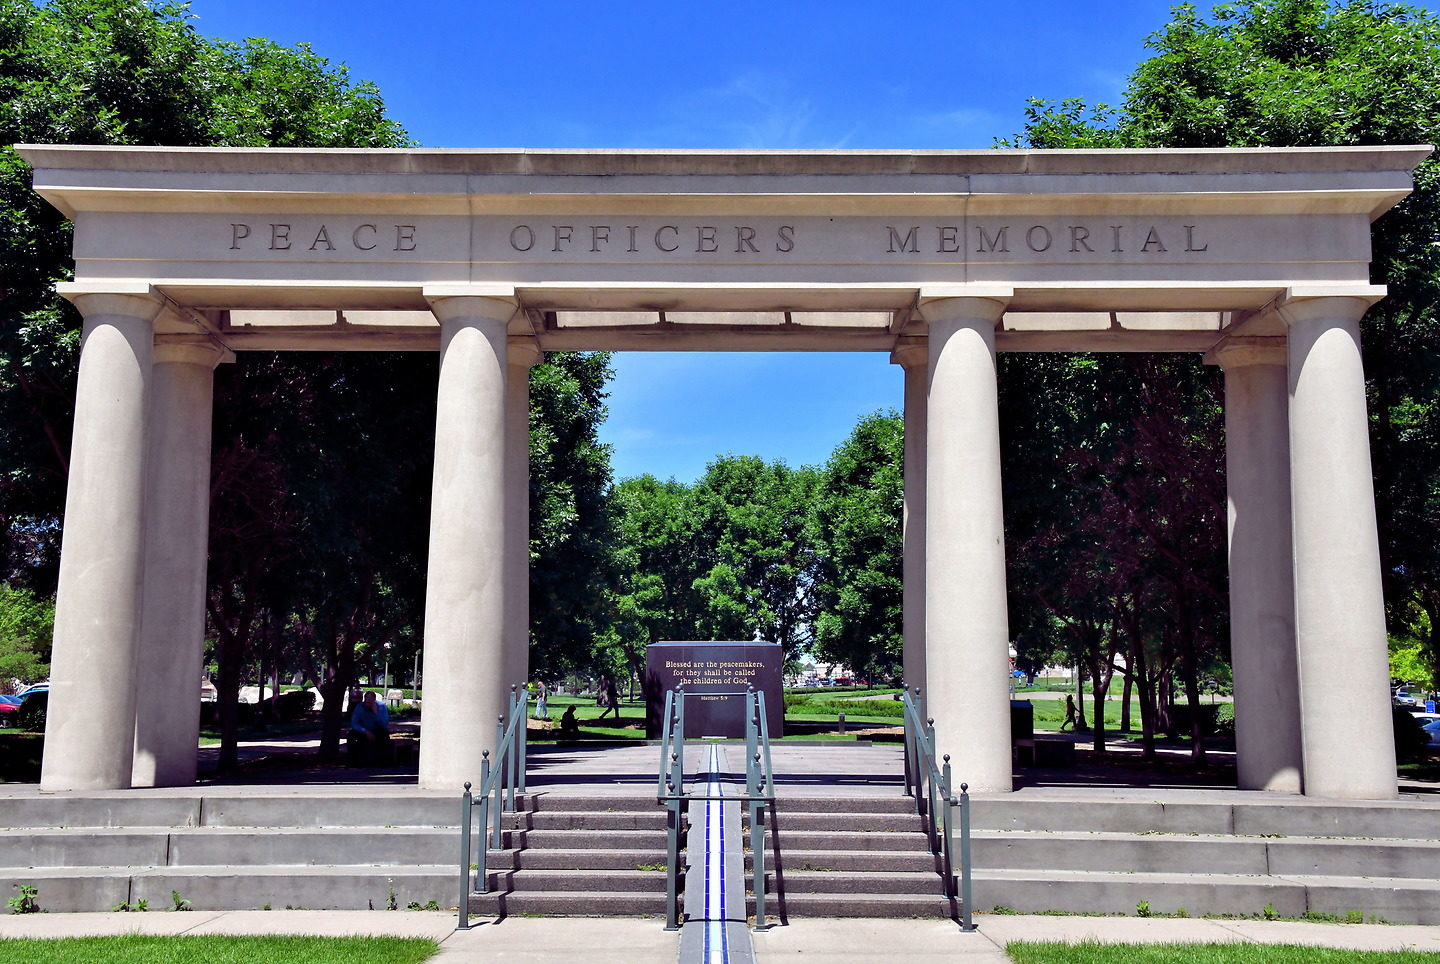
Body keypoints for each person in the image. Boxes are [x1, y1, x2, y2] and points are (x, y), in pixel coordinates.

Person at [348, 690, 392, 766]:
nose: (368, 704)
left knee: (384, 734)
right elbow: (354, 724)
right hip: (364, 731)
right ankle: (353, 762)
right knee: (352, 735)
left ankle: (384, 763)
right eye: (366, 701)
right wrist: (365, 731)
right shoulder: (360, 707)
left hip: (377, 730)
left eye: (370, 702)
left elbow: (384, 724)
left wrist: (376, 713)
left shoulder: (381, 707)